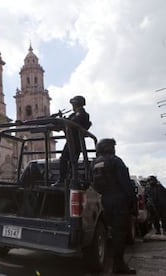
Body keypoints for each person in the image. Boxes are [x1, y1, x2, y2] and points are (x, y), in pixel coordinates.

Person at [92, 138, 137, 274]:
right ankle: (119, 265)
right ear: (109, 148)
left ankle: (117, 264)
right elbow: (126, 183)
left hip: (106, 200)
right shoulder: (115, 161)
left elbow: (93, 182)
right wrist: (132, 201)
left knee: (114, 231)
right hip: (119, 200)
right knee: (120, 234)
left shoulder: (95, 163)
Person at [53, 95, 92, 187]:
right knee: (71, 161)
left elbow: (73, 123)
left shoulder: (82, 114)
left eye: (73, 104)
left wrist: (62, 120)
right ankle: (69, 178)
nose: (72, 107)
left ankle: (63, 179)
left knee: (66, 159)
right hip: (72, 140)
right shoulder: (76, 114)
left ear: (76, 104)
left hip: (75, 141)